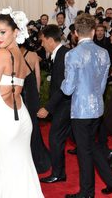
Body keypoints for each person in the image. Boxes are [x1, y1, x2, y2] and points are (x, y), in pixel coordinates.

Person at [0, 7, 44, 198]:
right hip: (22, 118)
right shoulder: (21, 55)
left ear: (15, 32)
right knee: (24, 167)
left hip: (4, 118)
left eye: (3, 32)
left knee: (5, 170)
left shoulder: (1, 54)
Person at [61, 13, 112, 198]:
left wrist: (62, 83)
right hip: (97, 108)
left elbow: (68, 89)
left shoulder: (72, 54)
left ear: (76, 33)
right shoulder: (104, 53)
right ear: (94, 31)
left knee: (84, 152)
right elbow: (103, 84)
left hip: (81, 110)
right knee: (91, 146)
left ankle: (87, 193)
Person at [37, 24, 71, 183]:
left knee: (55, 138)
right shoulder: (60, 54)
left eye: (43, 41)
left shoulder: (63, 55)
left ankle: (58, 173)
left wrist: (48, 107)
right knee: (78, 138)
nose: (42, 44)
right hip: (63, 103)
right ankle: (105, 154)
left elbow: (63, 86)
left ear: (50, 40)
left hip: (65, 104)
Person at [20, 40, 51, 174]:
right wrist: (37, 94)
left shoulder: (13, 55)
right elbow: (38, 76)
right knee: (33, 124)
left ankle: (25, 157)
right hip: (32, 93)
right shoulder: (33, 55)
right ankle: (38, 156)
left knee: (22, 125)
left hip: (19, 94)